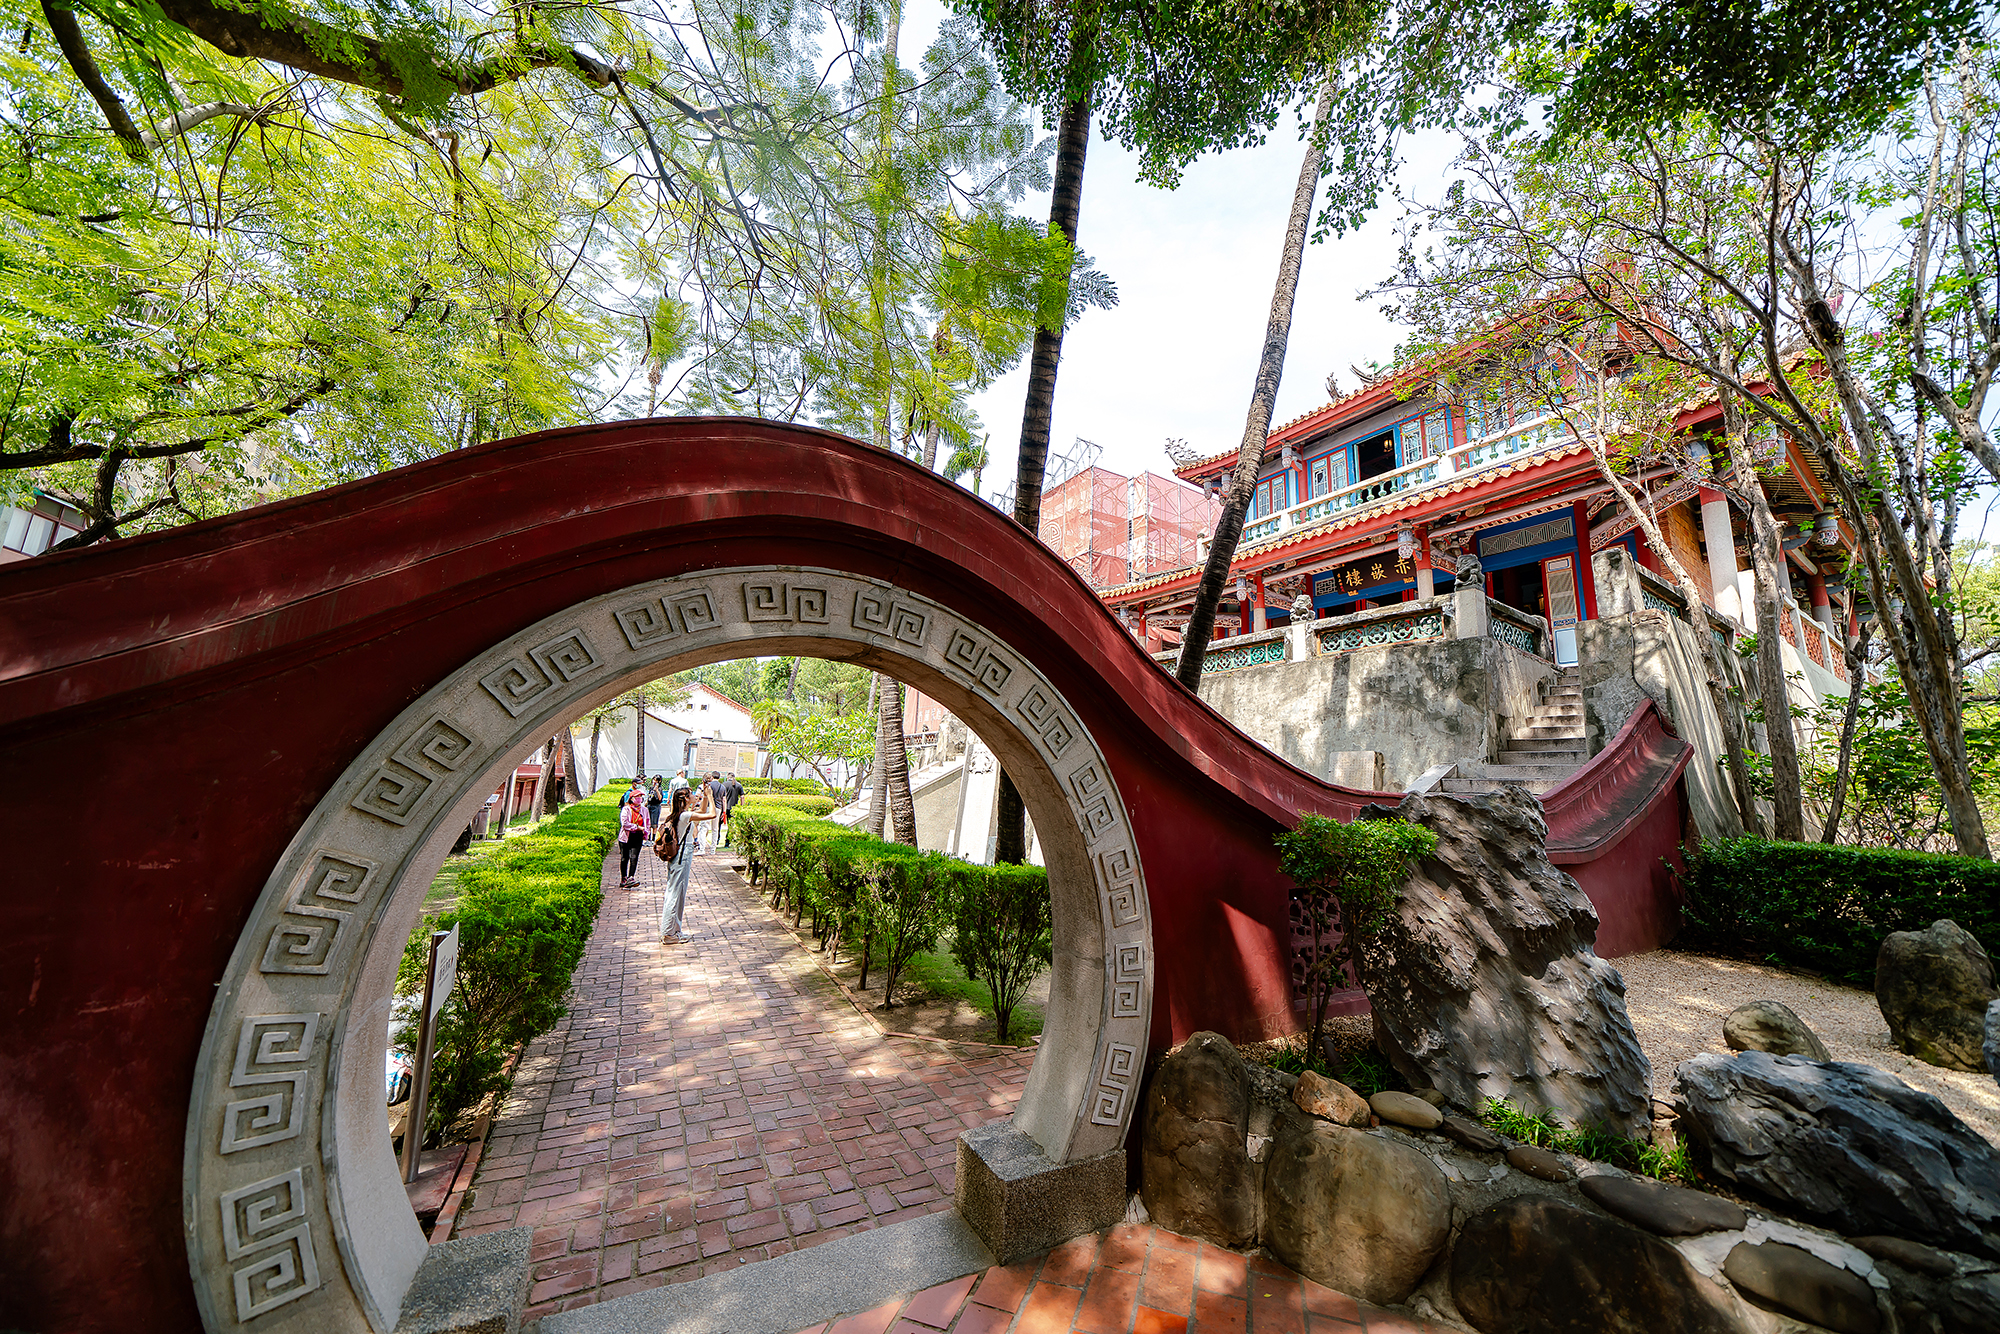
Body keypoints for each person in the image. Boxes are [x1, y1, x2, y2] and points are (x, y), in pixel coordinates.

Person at [659, 786, 717, 943]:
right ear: (685, 799)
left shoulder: (679, 814)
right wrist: (711, 797)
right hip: (682, 856)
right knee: (675, 894)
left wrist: (705, 797)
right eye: (690, 794)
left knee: (677, 893)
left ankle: (674, 931)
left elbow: (702, 811)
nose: (693, 795)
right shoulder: (684, 816)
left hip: (680, 855)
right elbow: (711, 814)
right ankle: (668, 933)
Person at [616, 788, 648, 888]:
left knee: (634, 857)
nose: (639, 798)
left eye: (640, 797)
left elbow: (647, 822)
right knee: (624, 858)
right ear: (631, 799)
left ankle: (631, 877)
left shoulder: (644, 810)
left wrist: (646, 833)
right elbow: (625, 824)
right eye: (637, 797)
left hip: (638, 836)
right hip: (626, 836)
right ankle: (624, 878)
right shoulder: (626, 809)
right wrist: (637, 827)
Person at [718, 772, 744, 846]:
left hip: (723, 807)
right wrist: (742, 806)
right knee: (731, 826)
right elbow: (742, 797)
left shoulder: (724, 784)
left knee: (718, 824)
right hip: (733, 808)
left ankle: (717, 839)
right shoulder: (738, 785)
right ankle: (727, 842)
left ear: (727, 777)